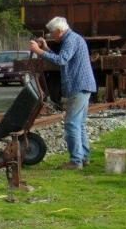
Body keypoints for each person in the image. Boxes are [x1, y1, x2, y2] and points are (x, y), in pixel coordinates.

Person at [29, 16, 97, 169]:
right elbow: (63, 57)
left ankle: (76, 161)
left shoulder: (71, 40)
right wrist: (46, 49)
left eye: (52, 33)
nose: (51, 36)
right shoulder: (73, 39)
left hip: (78, 86)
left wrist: (38, 51)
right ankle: (83, 157)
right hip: (83, 85)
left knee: (72, 123)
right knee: (79, 124)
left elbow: (61, 60)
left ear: (59, 31)